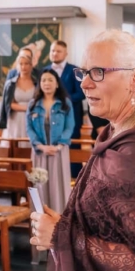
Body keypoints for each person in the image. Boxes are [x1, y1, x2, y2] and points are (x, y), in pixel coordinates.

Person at [30, 30, 135, 271]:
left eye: (98, 72)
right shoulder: (116, 132)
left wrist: (60, 235)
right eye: (84, 72)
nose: (84, 83)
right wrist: (65, 224)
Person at [26, 69, 74, 213]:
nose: (47, 83)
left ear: (57, 84)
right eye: (43, 80)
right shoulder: (33, 104)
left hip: (58, 151)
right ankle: (39, 221)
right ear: (39, 84)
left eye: (50, 80)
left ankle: (60, 220)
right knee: (40, 186)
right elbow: (28, 128)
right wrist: (40, 146)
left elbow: (69, 127)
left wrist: (58, 146)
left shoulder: (65, 103)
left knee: (58, 186)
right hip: (39, 151)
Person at [45, 40, 85, 177]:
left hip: (71, 119)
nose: (55, 53)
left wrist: (61, 101)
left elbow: (81, 93)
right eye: (52, 50)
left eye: (58, 51)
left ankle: (75, 180)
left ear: (66, 53)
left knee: (72, 150)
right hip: (49, 120)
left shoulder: (75, 70)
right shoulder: (44, 71)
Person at [0, 52, 37, 147]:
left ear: (31, 65)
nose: (23, 66)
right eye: (21, 64)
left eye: (26, 63)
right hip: (14, 119)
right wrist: (27, 107)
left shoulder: (36, 83)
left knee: (28, 147)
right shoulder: (11, 84)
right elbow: (9, 104)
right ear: (17, 65)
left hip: (31, 119)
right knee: (13, 146)